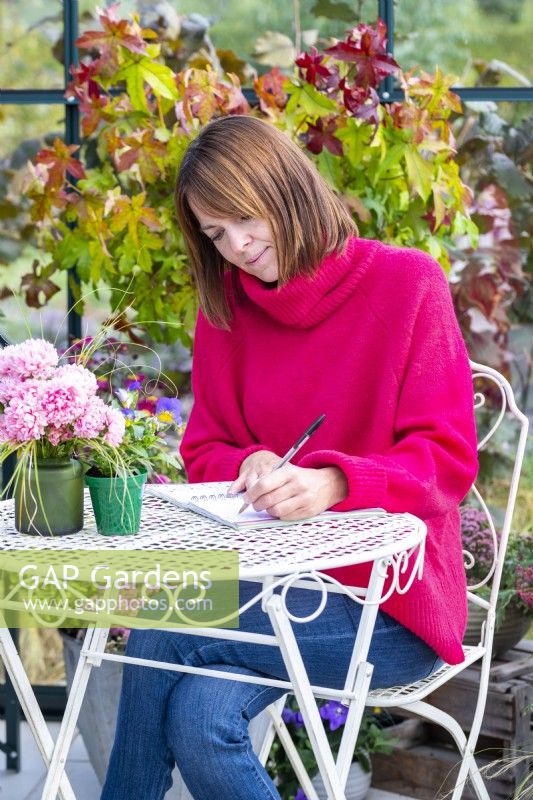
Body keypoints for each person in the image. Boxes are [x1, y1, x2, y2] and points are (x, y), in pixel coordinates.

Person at [101, 115, 478, 800]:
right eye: (215, 235)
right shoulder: (227, 310)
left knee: (163, 626)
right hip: (270, 589)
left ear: (287, 192)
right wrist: (247, 460)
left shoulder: (406, 284)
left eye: (245, 220)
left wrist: (336, 480)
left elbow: (445, 462)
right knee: (199, 718)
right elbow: (204, 449)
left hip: (388, 606)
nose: (237, 247)